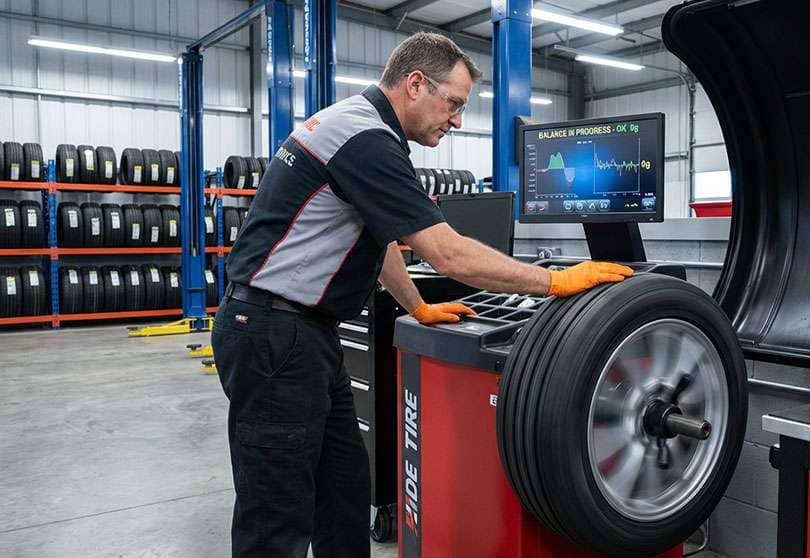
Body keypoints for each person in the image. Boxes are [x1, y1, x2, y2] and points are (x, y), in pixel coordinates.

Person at [211, 31, 633, 557]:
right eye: (453, 104)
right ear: (415, 84)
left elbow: (378, 236)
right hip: (275, 335)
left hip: (301, 335)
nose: (456, 121)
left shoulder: (360, 127)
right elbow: (447, 254)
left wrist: (417, 306)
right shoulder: (366, 139)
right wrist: (555, 281)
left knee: (343, 494)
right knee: (276, 515)